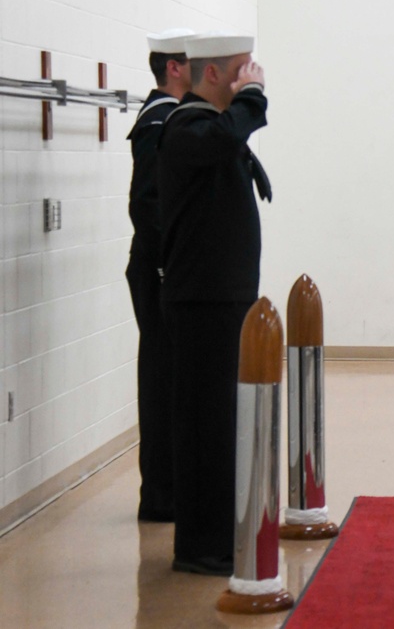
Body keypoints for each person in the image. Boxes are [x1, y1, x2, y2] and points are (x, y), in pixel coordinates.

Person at [157, 33, 270, 576]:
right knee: (204, 425)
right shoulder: (185, 125)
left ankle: (217, 535)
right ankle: (200, 546)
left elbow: (230, 145)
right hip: (202, 301)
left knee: (221, 422)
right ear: (210, 77)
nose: (249, 79)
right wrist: (254, 99)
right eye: (238, 72)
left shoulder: (206, 128)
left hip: (219, 298)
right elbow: (224, 138)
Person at [125, 27, 195, 523]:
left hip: (167, 266)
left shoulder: (170, 117)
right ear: (174, 67)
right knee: (163, 382)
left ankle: (174, 489)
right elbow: (148, 204)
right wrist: (170, 264)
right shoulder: (159, 120)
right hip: (160, 269)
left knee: (176, 381)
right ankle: (162, 495)